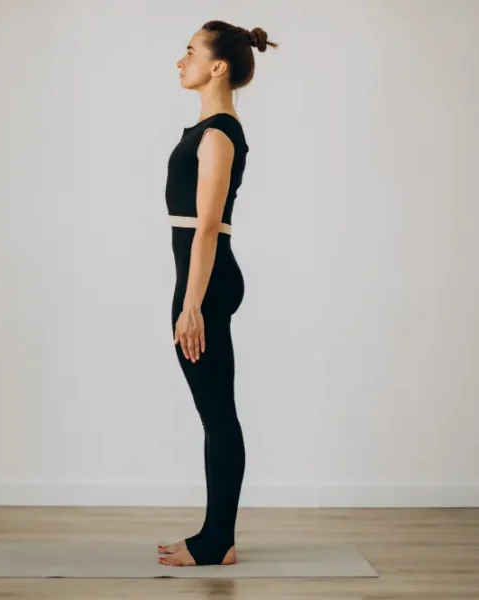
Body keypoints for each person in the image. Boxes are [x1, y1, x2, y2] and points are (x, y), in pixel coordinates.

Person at [157, 21, 276, 567]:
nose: (180, 61)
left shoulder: (219, 133)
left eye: (189, 52)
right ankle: (214, 533)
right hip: (200, 281)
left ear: (217, 66)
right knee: (215, 411)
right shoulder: (206, 128)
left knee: (218, 414)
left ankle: (218, 541)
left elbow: (206, 225)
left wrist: (191, 305)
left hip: (207, 282)